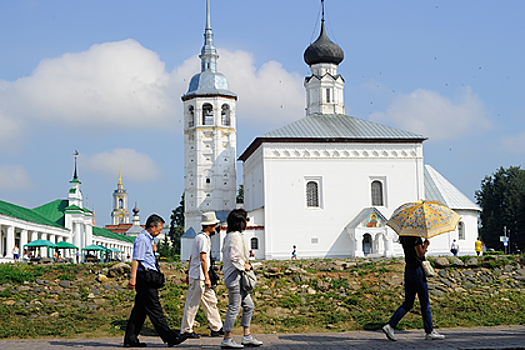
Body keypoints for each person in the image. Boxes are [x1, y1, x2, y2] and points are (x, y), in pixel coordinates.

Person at [123, 214, 188, 348]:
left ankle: (130, 338)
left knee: (139, 311)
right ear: (152, 226)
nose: (159, 232)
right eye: (159, 229)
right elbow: (136, 259)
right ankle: (170, 337)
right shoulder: (142, 239)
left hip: (146, 276)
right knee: (155, 309)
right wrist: (133, 278)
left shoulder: (147, 240)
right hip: (145, 278)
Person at [382, 236, 445, 341]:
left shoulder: (404, 238)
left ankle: (391, 325)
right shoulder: (416, 239)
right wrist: (426, 245)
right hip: (417, 271)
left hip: (408, 270)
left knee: (408, 302)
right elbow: (420, 254)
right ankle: (429, 331)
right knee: (424, 302)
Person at [221, 209, 263, 349]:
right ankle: (227, 339)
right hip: (235, 276)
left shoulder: (231, 235)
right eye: (245, 220)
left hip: (236, 276)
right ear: (240, 222)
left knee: (249, 306)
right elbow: (234, 257)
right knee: (234, 308)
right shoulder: (234, 237)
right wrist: (245, 266)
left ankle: (247, 336)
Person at [180, 212, 224, 338]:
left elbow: (192, 256)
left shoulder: (200, 237)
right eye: (214, 224)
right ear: (209, 225)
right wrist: (207, 277)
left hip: (197, 275)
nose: (215, 226)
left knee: (210, 301)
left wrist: (189, 272)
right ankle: (186, 330)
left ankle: (216, 326)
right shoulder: (203, 238)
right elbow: (203, 258)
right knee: (193, 303)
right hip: (200, 276)